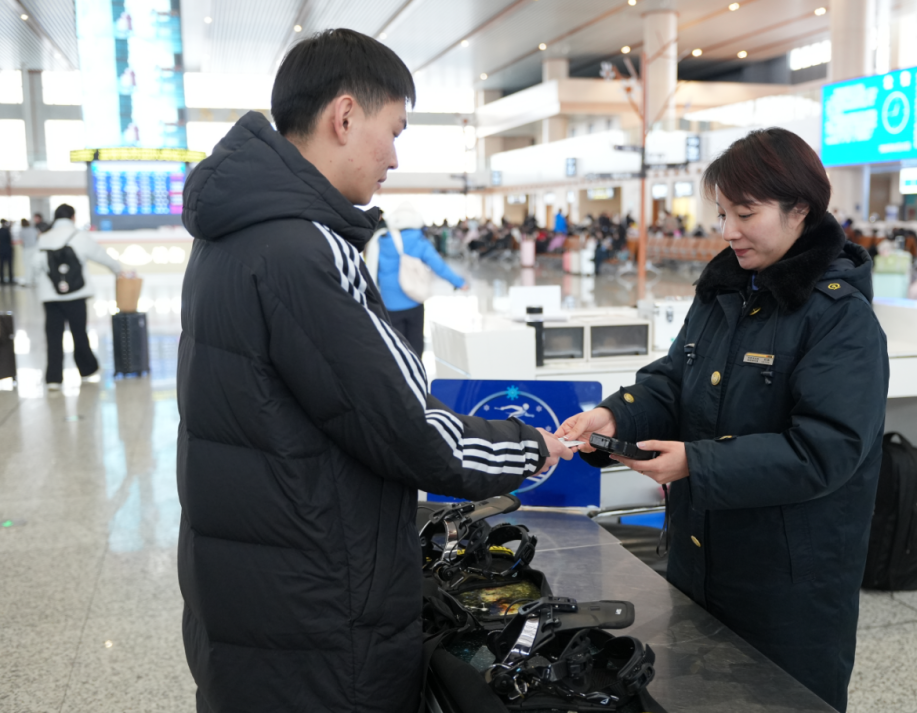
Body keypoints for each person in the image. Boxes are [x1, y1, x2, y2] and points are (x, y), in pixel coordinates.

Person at [175, 29, 571, 713]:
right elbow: (408, 429)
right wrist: (534, 446)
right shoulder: (306, 247)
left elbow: (326, 393)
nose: (394, 156)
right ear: (346, 115)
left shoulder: (232, 236)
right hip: (318, 608)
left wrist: (397, 316)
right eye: (394, 130)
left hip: (254, 588)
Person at [556, 128, 889, 713]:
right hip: (700, 554)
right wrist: (613, 412)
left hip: (787, 585)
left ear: (800, 210)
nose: (728, 230)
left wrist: (696, 461)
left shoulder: (840, 318)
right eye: (722, 213)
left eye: (746, 213)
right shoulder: (725, 292)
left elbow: (826, 450)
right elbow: (675, 378)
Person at [33, 205, 122, 389]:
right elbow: (100, 255)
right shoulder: (78, 236)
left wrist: (33, 282)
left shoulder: (44, 238)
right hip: (76, 294)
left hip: (51, 297)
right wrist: (118, 270)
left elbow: (35, 265)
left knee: (53, 335)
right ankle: (87, 370)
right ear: (73, 217)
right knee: (79, 332)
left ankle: (53, 378)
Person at [371, 203, 467, 354]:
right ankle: (415, 374)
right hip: (413, 299)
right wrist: (459, 283)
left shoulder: (381, 239)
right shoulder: (419, 241)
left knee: (395, 346)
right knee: (415, 345)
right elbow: (438, 266)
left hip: (388, 302)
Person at [18, 218, 39, 287]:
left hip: (27, 249)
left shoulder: (22, 231)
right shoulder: (33, 229)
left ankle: (28, 281)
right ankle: (36, 280)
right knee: (35, 264)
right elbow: (38, 236)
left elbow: (21, 241)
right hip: (35, 248)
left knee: (27, 266)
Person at [0, 219, 13, 285]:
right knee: (10, 265)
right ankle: (11, 280)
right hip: (8, 249)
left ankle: (2, 280)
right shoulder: (7, 230)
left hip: (1, 250)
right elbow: (10, 240)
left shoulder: (0, 230)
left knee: (1, 266)